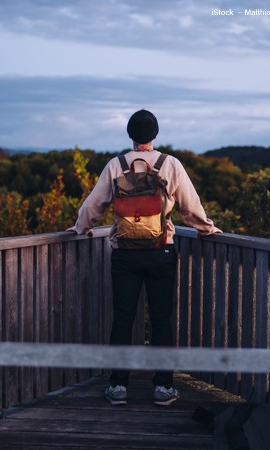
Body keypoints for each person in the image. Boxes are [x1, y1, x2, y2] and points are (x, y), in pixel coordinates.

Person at [68, 109, 221, 406]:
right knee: (162, 320)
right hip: (161, 252)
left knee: (122, 319)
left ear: (130, 134)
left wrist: (80, 228)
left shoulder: (116, 165)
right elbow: (191, 208)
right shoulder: (170, 165)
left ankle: (118, 386)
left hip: (125, 254)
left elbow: (93, 206)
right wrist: (207, 229)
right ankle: (163, 387)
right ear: (155, 134)